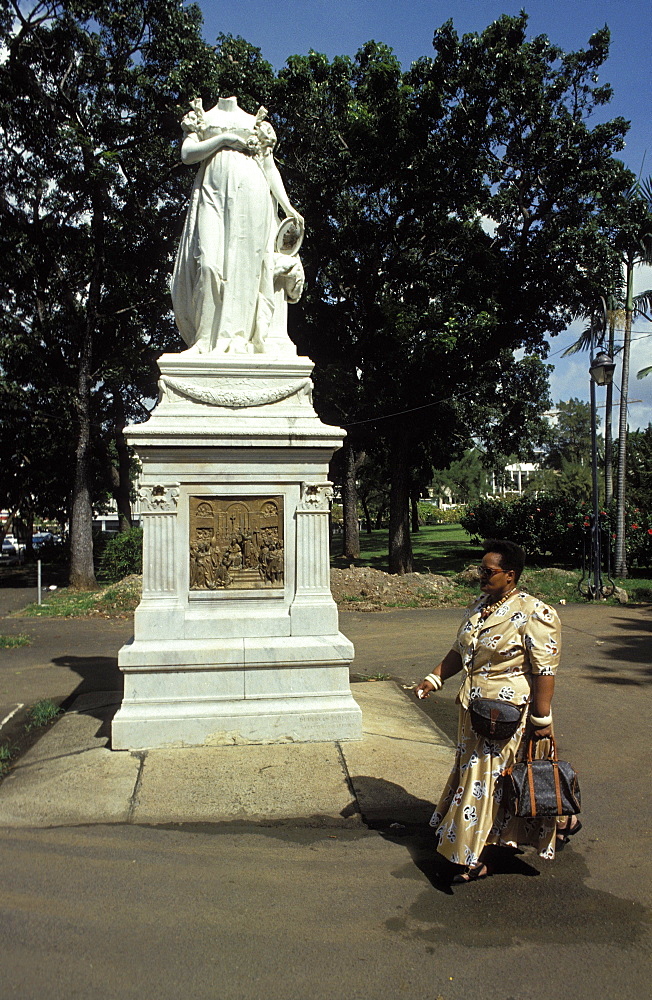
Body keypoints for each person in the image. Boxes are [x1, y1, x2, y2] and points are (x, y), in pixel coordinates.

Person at [415, 539, 580, 883]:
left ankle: (474, 855)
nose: (481, 576)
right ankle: (563, 821)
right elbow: (461, 651)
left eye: (488, 571)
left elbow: (544, 669)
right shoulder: (480, 606)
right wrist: (435, 678)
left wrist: (542, 718)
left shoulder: (536, 613)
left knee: (489, 783)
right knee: (495, 782)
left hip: (507, 716)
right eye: (480, 569)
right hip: (474, 714)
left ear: (510, 574)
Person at [171, 95, 304, 356]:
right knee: (208, 265)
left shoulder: (254, 122)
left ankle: (238, 338)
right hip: (212, 192)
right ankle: (204, 340)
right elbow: (187, 155)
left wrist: (287, 206)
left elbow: (268, 166)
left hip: (251, 194)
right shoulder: (202, 116)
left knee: (243, 267)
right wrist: (223, 140)